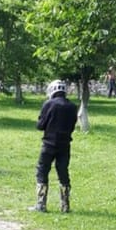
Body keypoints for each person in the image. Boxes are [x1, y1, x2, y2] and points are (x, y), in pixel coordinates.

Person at [33, 79, 78, 213]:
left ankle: (41, 204)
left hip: (49, 144)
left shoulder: (49, 104)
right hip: (65, 145)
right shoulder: (72, 107)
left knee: (42, 171)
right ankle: (65, 205)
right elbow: (72, 125)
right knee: (63, 172)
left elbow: (40, 125)